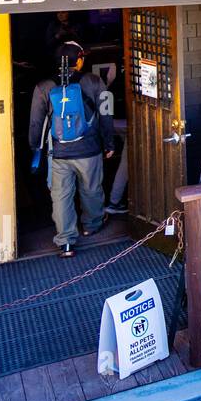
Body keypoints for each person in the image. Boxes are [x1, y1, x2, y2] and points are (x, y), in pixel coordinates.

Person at [28, 41, 115, 257]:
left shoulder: (43, 87)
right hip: (90, 149)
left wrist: (35, 148)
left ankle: (66, 241)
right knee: (92, 189)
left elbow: (35, 123)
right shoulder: (95, 82)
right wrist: (109, 143)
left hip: (58, 153)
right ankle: (91, 225)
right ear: (78, 60)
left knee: (61, 196)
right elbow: (107, 114)